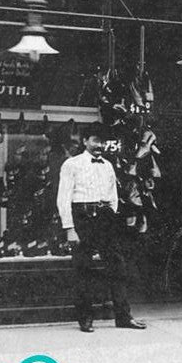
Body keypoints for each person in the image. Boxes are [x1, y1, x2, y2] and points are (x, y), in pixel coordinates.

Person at [57, 123, 146, 333]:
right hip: (83, 218)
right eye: (95, 140)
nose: (100, 145)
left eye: (102, 141)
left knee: (118, 267)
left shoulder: (107, 165)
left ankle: (123, 317)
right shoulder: (71, 164)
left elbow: (112, 195)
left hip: (105, 219)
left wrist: (111, 215)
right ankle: (85, 318)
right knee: (83, 269)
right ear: (85, 141)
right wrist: (70, 228)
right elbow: (63, 198)